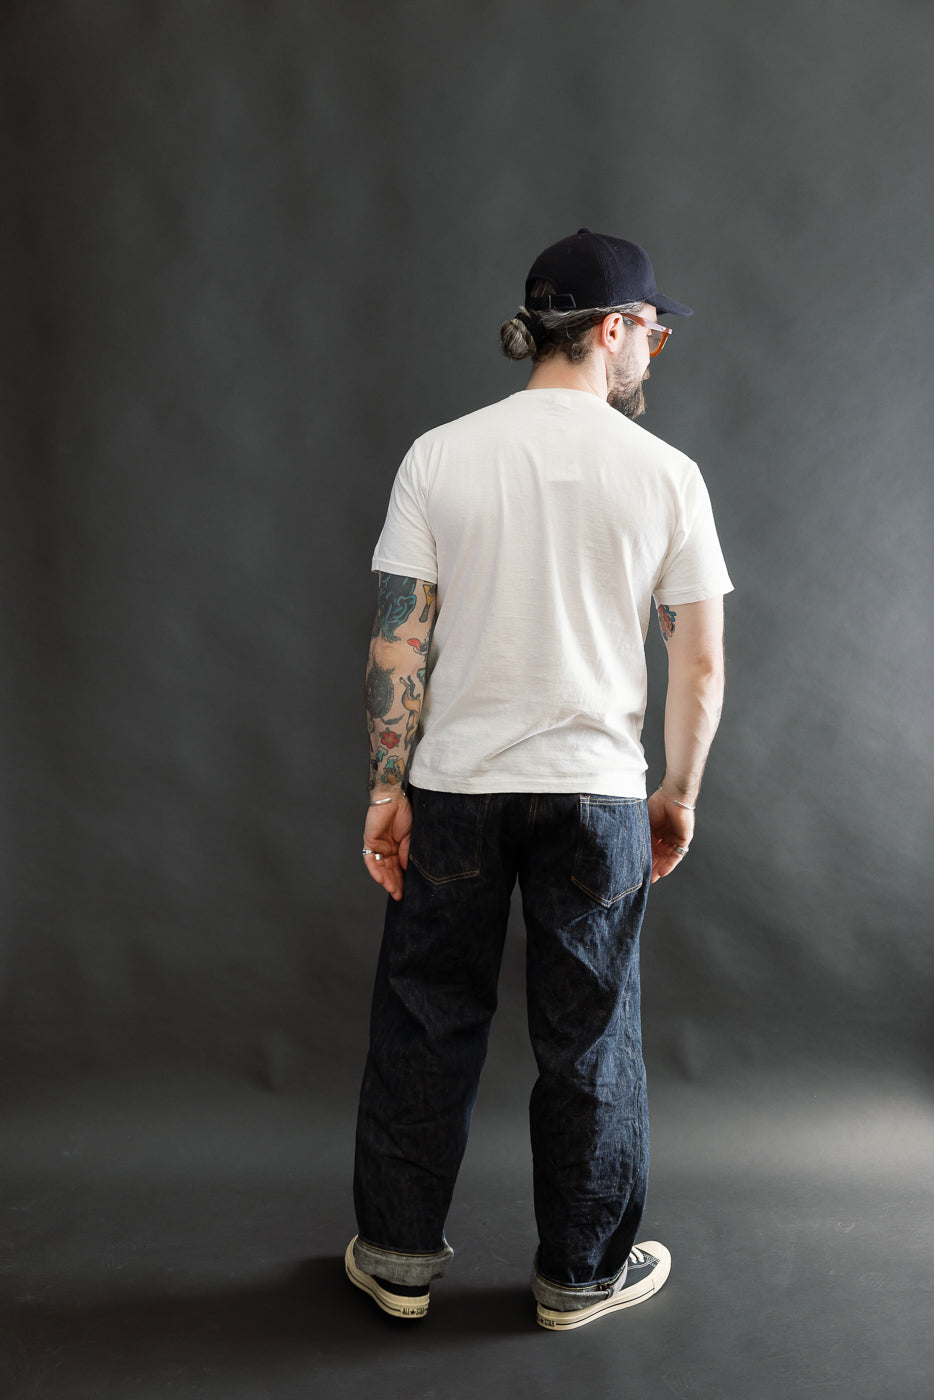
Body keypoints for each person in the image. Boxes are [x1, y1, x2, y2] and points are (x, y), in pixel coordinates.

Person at [346, 228, 732, 1331]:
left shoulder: (440, 454)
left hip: (456, 784)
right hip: (596, 790)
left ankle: (397, 1259)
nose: (653, 350)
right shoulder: (666, 475)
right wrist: (678, 792)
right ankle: (579, 1276)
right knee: (591, 1033)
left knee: (425, 1019)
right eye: (650, 329)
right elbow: (699, 663)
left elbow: (395, 646)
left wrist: (387, 785)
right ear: (609, 328)